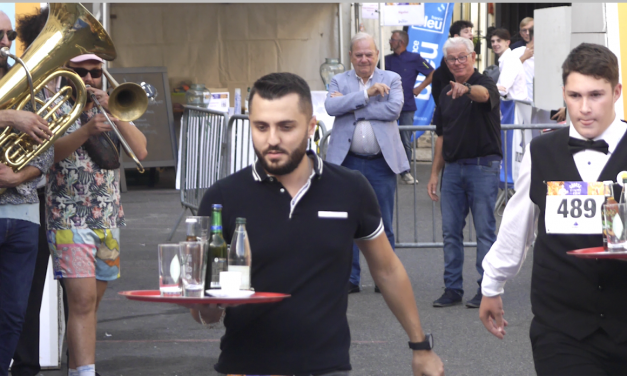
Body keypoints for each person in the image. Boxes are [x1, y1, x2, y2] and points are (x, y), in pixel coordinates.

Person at [191, 72, 444, 376]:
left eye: (286, 127)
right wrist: (206, 307)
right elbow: (204, 303)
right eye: (261, 127)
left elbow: (387, 269)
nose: (272, 139)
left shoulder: (350, 188)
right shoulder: (223, 197)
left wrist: (421, 347)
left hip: (327, 367)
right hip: (247, 366)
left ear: (311, 126)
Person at [480, 43, 627, 375]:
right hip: (562, 328)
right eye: (575, 96)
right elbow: (518, 223)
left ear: (616, 91)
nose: (584, 108)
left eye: (596, 95)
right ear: (563, 93)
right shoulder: (542, 150)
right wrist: (492, 284)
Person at [45, 53, 147, 376]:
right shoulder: (56, 108)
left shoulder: (110, 108)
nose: (89, 79)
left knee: (92, 301)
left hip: (107, 219)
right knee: (83, 300)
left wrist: (116, 115)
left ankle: (79, 368)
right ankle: (86, 372)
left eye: (96, 73)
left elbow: (142, 150)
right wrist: (87, 130)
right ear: (69, 73)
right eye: (82, 73)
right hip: (67, 217)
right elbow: (49, 155)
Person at [324, 32, 408, 294]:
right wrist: (368, 94)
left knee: (383, 222)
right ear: (350, 56)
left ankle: (386, 278)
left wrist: (352, 104)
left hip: (381, 164)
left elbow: (394, 110)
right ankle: (350, 278)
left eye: (369, 54)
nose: (364, 59)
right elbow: (330, 107)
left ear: (377, 55)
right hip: (346, 161)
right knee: (346, 221)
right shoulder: (338, 79)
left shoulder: (392, 79)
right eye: (358, 54)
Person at [0, 10, 56, 376]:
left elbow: (48, 150)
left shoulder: (24, 83)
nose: (5, 43)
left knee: (13, 315)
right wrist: (9, 117)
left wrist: (18, 175)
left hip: (22, 216)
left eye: (7, 35)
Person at [427, 37, 501, 309]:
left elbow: (483, 96)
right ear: (446, 63)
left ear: (473, 57)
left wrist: (466, 88)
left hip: (482, 166)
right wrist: (435, 174)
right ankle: (452, 288)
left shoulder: (486, 83)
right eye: (451, 59)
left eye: (461, 57)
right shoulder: (445, 92)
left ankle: (487, 288)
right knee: (450, 232)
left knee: (484, 231)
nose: (457, 63)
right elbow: (441, 137)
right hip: (453, 169)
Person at [385, 29, 435, 185]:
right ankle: (387, 169)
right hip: (387, 105)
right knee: (386, 137)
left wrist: (420, 88)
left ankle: (405, 171)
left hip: (407, 105)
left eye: (392, 40)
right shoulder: (386, 59)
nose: (389, 42)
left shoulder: (414, 58)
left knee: (405, 139)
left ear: (401, 42)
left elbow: (432, 72)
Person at [431, 20, 474, 107]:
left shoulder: (482, 80)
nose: (470, 34)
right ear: (456, 36)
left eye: (471, 31)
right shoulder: (444, 72)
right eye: (466, 32)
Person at [490, 28, 528, 102]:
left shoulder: (510, 60)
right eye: (493, 41)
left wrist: (490, 87)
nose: (495, 44)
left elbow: (503, 89)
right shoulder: (507, 59)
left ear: (507, 43)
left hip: (514, 106)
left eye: (499, 40)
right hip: (513, 104)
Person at [511, 26, 534, 102]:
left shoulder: (548, 54)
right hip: (522, 102)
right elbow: (508, 73)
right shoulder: (516, 52)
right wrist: (524, 57)